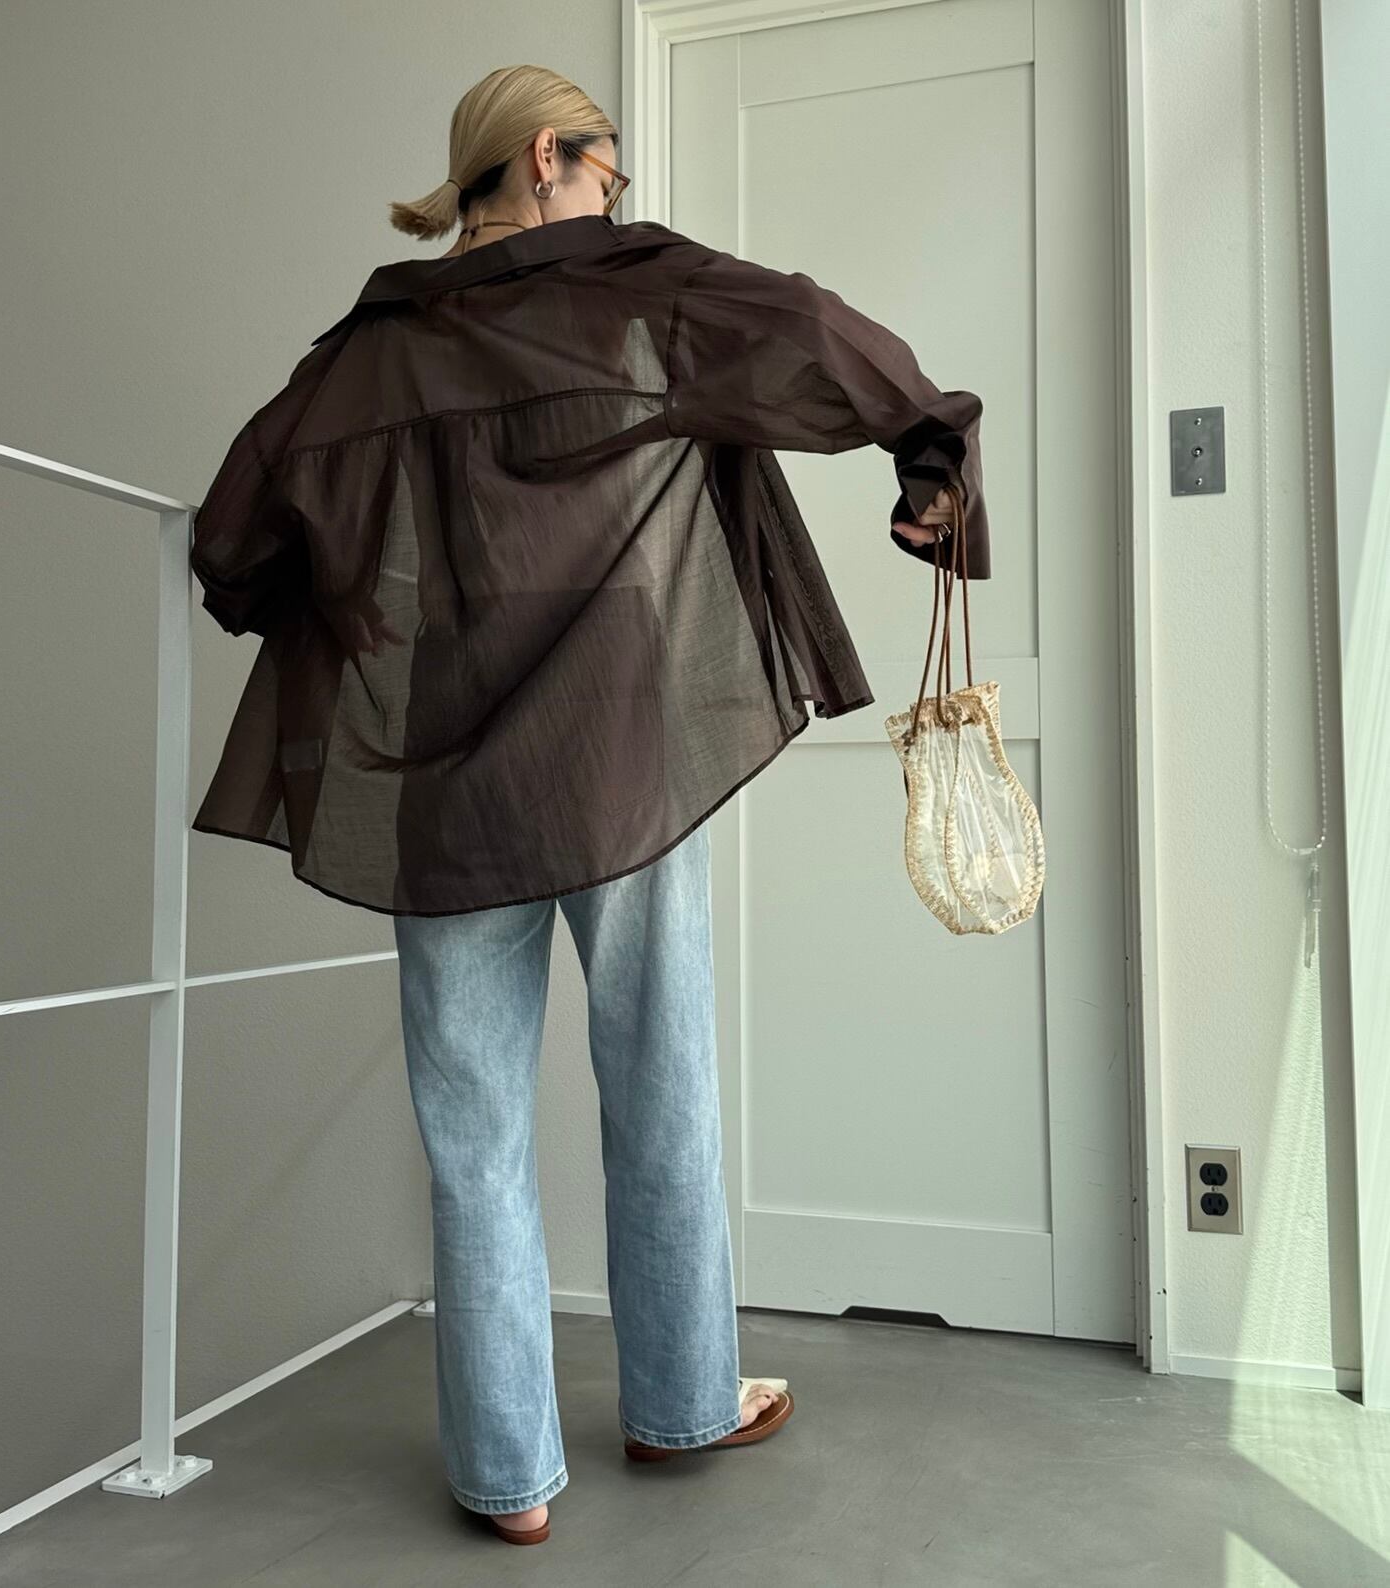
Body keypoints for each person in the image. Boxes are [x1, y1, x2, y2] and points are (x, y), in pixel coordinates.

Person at [189, 64, 986, 1547]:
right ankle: (682, 1402)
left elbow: (235, 540)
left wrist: (325, 596)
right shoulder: (637, 298)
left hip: (438, 778)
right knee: (658, 1084)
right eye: (609, 173)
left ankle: (508, 1480)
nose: (617, 198)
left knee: (472, 1130)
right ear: (550, 156)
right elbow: (817, 335)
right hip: (622, 756)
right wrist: (930, 449)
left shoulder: (366, 356)